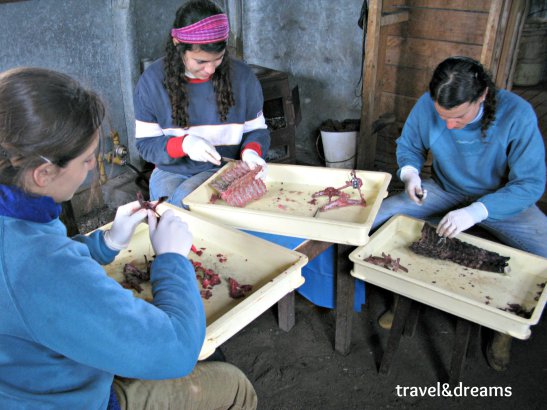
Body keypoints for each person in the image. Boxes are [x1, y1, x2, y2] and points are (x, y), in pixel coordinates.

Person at [0, 67, 257, 409]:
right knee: (235, 386)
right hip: (65, 400)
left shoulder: (17, 218)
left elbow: (40, 260)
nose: (93, 166)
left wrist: (104, 243)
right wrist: (172, 259)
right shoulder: (38, 270)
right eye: (86, 158)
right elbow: (178, 350)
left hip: (24, 371)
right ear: (43, 173)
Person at [371, 56, 547, 371]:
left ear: (482, 97)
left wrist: (478, 211)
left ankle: (504, 327)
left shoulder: (516, 113)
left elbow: (530, 184)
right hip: (445, 187)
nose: (449, 125)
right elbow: (409, 145)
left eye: (459, 117)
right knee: (382, 217)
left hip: (499, 198)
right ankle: (401, 298)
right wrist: (410, 174)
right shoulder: (428, 105)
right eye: (443, 117)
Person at [134, 0, 269, 207]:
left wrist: (251, 150)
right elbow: (146, 145)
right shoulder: (152, 82)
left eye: (218, 59)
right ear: (178, 45)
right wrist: (184, 144)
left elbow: (257, 131)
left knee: (183, 204)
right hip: (171, 170)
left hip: (223, 169)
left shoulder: (243, 78)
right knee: (168, 209)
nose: (211, 70)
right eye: (201, 61)